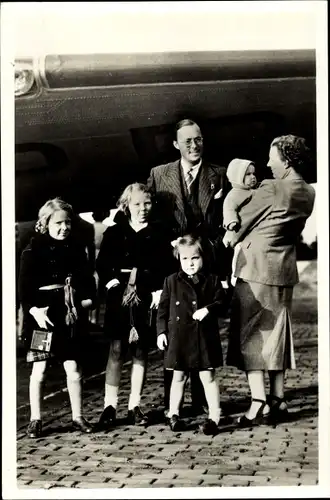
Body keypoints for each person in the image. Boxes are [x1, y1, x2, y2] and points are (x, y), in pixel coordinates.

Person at [223, 135, 315, 427]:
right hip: (284, 269)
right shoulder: (307, 192)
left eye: (272, 157)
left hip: (255, 269)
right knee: (276, 334)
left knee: (250, 336)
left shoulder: (272, 188)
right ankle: (278, 398)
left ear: (285, 160)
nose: (266, 163)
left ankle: (258, 402)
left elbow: (241, 222)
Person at [147, 118, 231, 414]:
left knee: (202, 332)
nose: (194, 146)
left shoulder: (219, 174)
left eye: (198, 140)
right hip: (175, 267)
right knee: (176, 329)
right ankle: (175, 406)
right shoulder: (159, 175)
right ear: (175, 145)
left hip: (206, 264)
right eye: (187, 142)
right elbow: (152, 221)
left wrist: (220, 261)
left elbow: (228, 218)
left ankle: (201, 403)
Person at [96, 183, 175, 429]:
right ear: (126, 206)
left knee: (141, 349)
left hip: (147, 296)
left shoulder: (160, 232)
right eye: (137, 204)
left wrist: (159, 292)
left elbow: (167, 267)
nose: (143, 209)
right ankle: (110, 406)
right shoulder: (114, 232)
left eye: (147, 203)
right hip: (119, 296)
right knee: (117, 349)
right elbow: (102, 263)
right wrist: (109, 282)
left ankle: (134, 406)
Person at [19, 198, 96, 438]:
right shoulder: (31, 250)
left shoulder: (76, 249)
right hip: (42, 318)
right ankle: (36, 419)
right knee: (39, 370)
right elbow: (24, 290)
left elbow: (87, 284)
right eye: (59, 223)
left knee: (73, 368)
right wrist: (34, 310)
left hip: (67, 317)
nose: (64, 228)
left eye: (68, 223)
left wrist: (84, 302)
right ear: (45, 223)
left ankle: (77, 416)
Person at [157, 235, 226, 435]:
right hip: (179, 337)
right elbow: (162, 310)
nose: (190, 263)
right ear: (178, 259)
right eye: (184, 259)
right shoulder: (171, 281)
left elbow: (222, 303)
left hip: (203, 337)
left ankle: (214, 416)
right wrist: (161, 332)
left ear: (203, 258)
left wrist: (208, 309)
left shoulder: (212, 280)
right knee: (178, 377)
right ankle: (174, 414)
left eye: (194, 258)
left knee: (208, 376)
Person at [223, 158, 258, 286]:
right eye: (248, 174)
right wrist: (232, 221)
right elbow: (229, 208)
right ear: (237, 177)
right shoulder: (234, 194)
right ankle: (235, 274)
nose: (252, 177)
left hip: (251, 231)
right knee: (238, 251)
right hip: (237, 231)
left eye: (254, 174)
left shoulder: (255, 191)